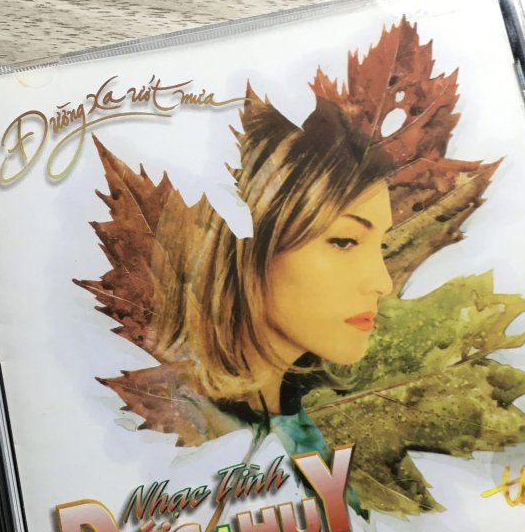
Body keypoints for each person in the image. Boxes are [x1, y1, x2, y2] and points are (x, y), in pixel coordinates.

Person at [148, 84, 396, 456]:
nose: (383, 283)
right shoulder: (167, 436)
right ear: (245, 247)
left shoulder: (301, 431)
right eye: (345, 241)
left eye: (383, 246)